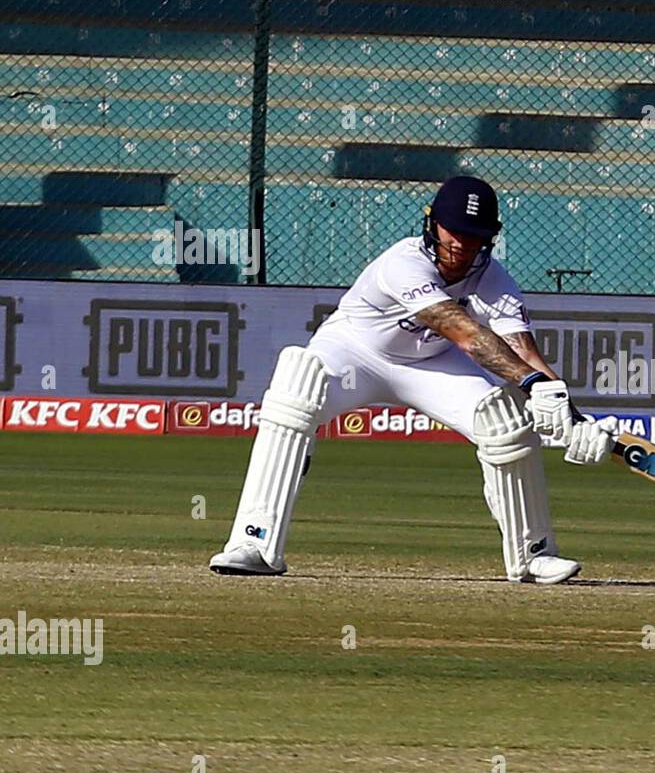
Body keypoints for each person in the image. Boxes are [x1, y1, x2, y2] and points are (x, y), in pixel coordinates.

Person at [208, 176, 614, 584]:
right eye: (453, 231)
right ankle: (255, 542)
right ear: (431, 223)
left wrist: (570, 416)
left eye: (474, 236)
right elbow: (464, 333)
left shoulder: (493, 279)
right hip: (354, 352)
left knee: (503, 421)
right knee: (298, 385)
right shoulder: (402, 262)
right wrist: (532, 385)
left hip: (429, 365)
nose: (461, 244)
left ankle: (534, 554)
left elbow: (525, 352)